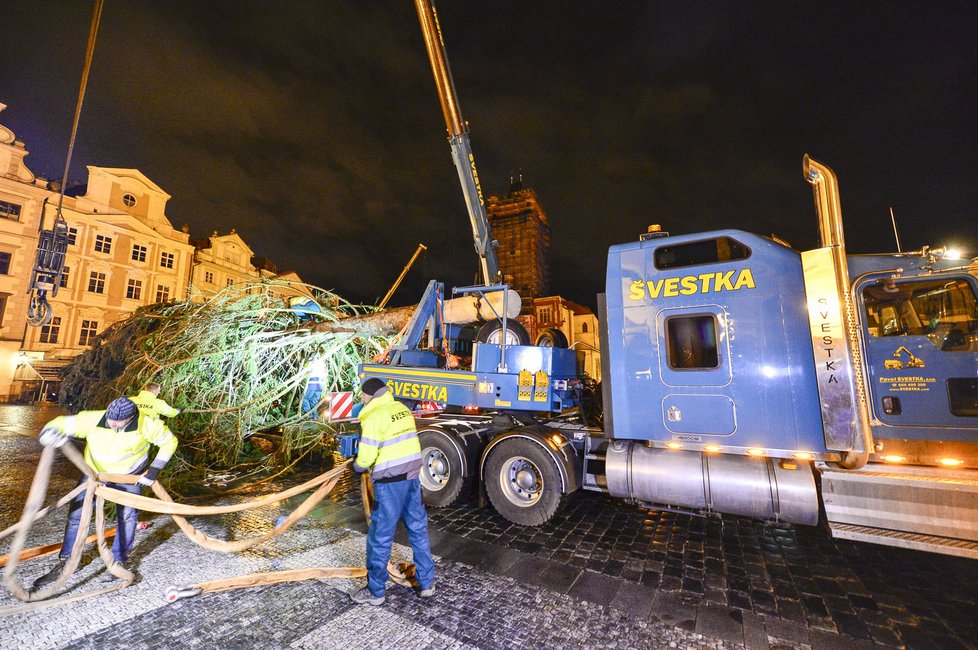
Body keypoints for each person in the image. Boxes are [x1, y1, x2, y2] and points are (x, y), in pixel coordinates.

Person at [32, 397, 178, 588]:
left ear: (131, 418)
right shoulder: (93, 419)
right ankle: (68, 561)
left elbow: (169, 442)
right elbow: (60, 423)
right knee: (76, 517)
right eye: (110, 419)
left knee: (126, 517)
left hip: (128, 477)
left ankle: (119, 561)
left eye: (117, 422)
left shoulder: (147, 425)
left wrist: (152, 473)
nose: (111, 423)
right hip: (93, 476)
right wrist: (49, 432)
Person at [349, 378, 435, 605]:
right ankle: (427, 584)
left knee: (380, 536)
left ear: (369, 396)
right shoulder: (402, 409)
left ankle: (375, 591)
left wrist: (357, 466)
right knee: (417, 529)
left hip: (390, 484)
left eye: (363, 396)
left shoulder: (373, 417)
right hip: (412, 478)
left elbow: (366, 456)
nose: (362, 400)